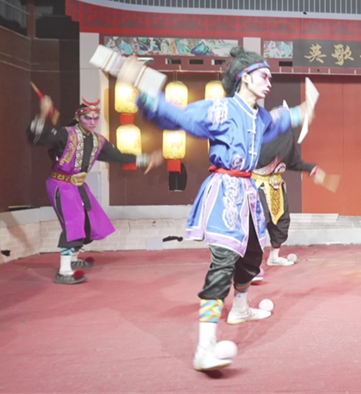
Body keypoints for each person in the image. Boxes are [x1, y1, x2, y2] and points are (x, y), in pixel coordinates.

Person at [118, 46, 311, 372]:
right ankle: (204, 348)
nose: (269, 82)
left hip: (248, 193)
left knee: (252, 256)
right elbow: (178, 116)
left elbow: (276, 122)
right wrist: (142, 91)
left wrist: (304, 110)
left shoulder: (258, 115)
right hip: (225, 193)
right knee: (223, 263)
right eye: (264, 76)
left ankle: (240, 309)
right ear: (244, 78)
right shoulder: (220, 110)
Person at [27, 97, 162, 285]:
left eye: (95, 118)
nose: (91, 122)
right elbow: (38, 138)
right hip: (61, 184)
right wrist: (43, 112)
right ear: (78, 118)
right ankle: (64, 271)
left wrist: (145, 159)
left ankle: (73, 259)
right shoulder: (65, 134)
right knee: (73, 223)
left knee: (88, 222)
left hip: (79, 185)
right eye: (87, 118)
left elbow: (118, 156)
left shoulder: (98, 141)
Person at [252, 128, 326, 271]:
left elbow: (293, 161)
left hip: (276, 185)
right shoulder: (260, 135)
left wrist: (312, 169)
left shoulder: (286, 139)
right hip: (258, 184)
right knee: (258, 221)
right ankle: (249, 264)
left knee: (282, 221)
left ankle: (274, 257)